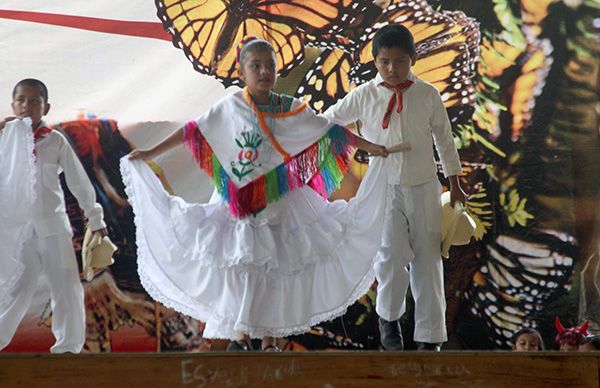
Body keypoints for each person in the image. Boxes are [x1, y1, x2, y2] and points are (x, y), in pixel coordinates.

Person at [121, 37, 393, 351]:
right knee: (242, 268)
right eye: (256, 66)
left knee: (279, 269)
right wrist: (149, 152)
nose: (264, 71)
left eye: (270, 66)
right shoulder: (231, 107)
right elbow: (192, 131)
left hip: (283, 202)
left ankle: (270, 338)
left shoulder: (289, 108)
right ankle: (240, 335)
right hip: (238, 203)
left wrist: (373, 147)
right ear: (242, 71)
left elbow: (329, 130)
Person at [323, 24, 466, 351]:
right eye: (384, 62)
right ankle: (388, 321)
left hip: (425, 185)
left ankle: (430, 339)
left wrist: (455, 182)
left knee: (428, 261)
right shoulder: (365, 94)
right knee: (390, 257)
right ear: (375, 61)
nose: (391, 69)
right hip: (382, 186)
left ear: (413, 58)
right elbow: (327, 122)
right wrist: (362, 143)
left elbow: (444, 140)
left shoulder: (427, 94)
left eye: (399, 61)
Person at [0, 79, 107, 353]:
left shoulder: (54, 140)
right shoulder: (4, 136)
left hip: (52, 226)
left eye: (34, 100)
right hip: (18, 229)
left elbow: (78, 181)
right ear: (12, 104)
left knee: (66, 285)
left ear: (46, 107)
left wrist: (95, 218)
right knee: (16, 289)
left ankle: (69, 347)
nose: (27, 106)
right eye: (21, 100)